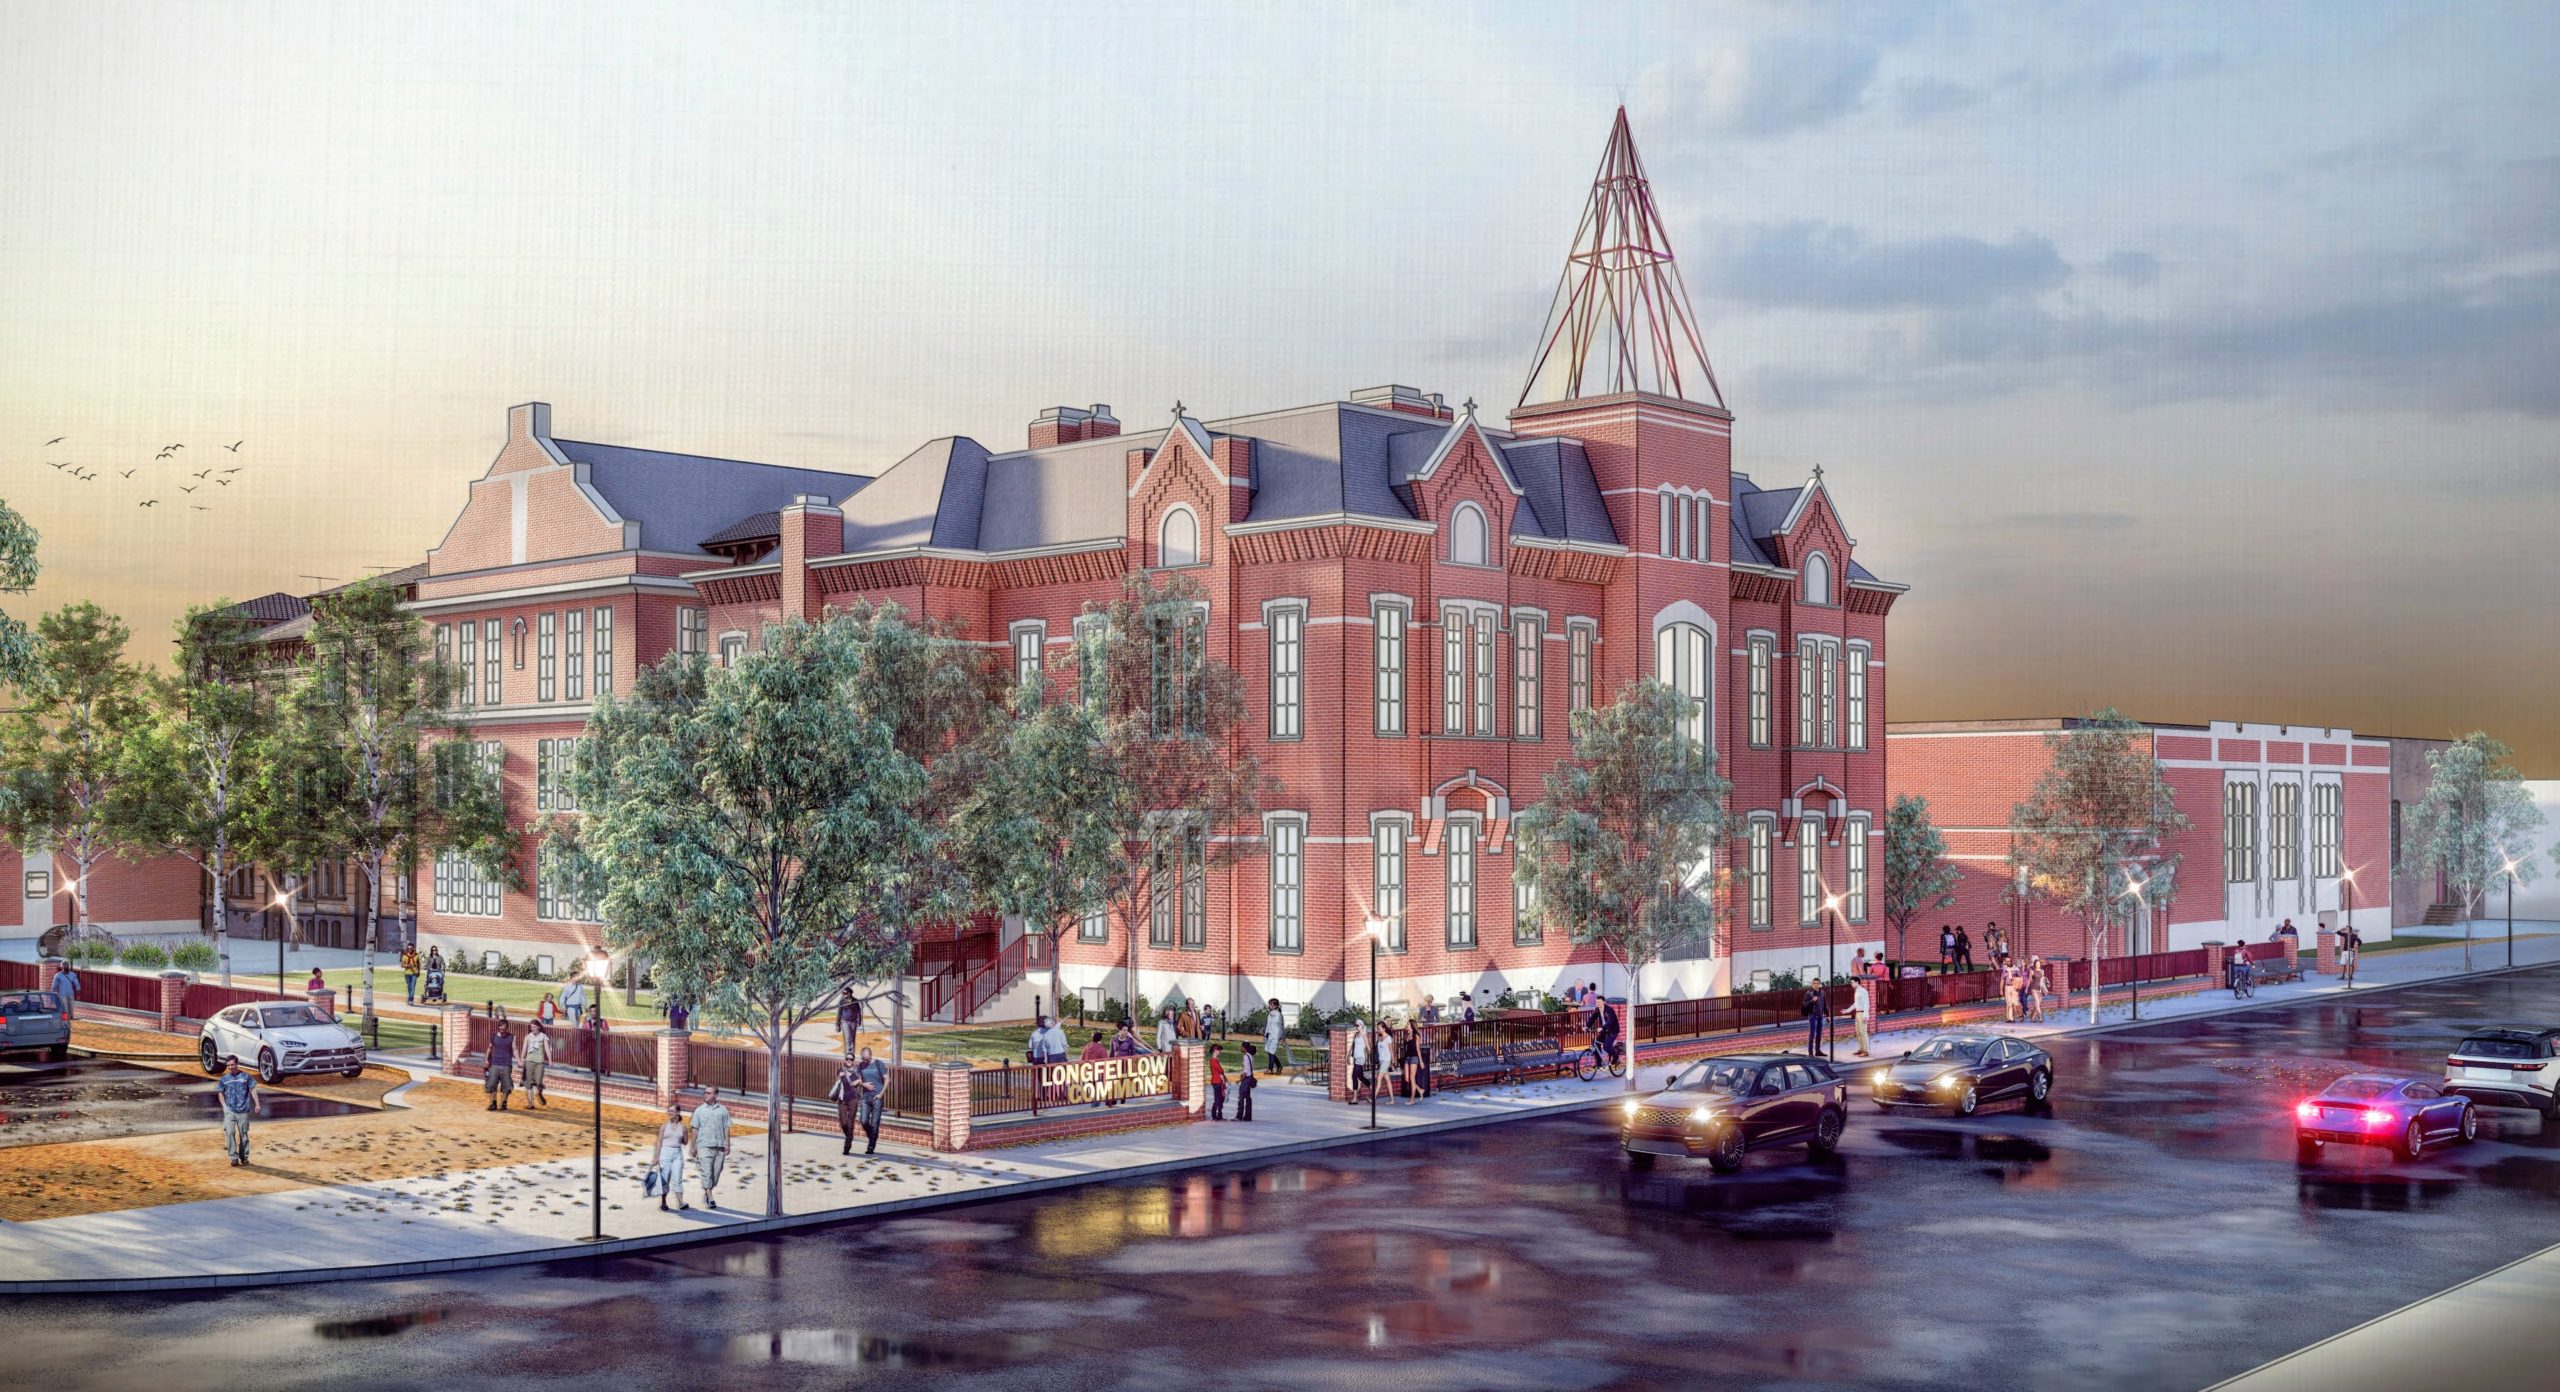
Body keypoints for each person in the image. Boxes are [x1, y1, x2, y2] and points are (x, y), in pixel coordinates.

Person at [692, 1085, 735, 1202]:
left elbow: (726, 1128)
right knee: (706, 1172)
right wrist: (693, 1146)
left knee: (716, 1173)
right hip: (704, 1146)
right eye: (705, 1092)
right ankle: (710, 1196)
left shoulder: (723, 1110)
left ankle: (707, 1191)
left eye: (709, 1093)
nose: (705, 1094)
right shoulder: (699, 1110)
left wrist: (727, 1144)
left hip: (719, 1146)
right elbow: (695, 1129)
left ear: (715, 1095)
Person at [215, 1058, 260, 1166]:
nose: (230, 1067)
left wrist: (257, 1104)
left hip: (243, 1110)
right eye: (228, 1065)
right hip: (230, 1111)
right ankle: (233, 1157)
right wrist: (224, 1107)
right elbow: (220, 1092)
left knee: (243, 1134)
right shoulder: (224, 1079)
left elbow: (253, 1090)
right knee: (229, 1132)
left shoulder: (246, 1077)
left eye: (232, 1064)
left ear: (237, 1064)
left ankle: (244, 1157)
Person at [652, 1105, 690, 1212]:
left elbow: (685, 1142)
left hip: (677, 1153)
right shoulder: (664, 1126)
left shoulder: (683, 1127)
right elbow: (659, 1142)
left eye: (672, 1111)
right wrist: (657, 1156)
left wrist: (683, 1137)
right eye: (669, 1111)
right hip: (665, 1153)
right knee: (665, 1178)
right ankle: (664, 1201)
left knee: (677, 1178)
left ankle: (681, 1202)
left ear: (678, 1112)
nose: (670, 1113)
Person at [485, 1024, 516, 1110]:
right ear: (498, 1028)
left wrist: (519, 1060)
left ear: (507, 1028)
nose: (502, 1031)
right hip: (495, 1063)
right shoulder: (494, 1036)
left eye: (504, 1029)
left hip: (506, 1064)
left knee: (506, 1085)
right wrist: (486, 1060)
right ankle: (493, 1103)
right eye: (501, 1029)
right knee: (492, 1083)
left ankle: (504, 1103)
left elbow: (515, 1049)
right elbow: (489, 1048)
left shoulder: (511, 1037)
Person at [520, 1024, 551, 1106]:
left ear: (538, 1027)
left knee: (538, 1082)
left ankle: (540, 1094)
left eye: (534, 1027)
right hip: (529, 1061)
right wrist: (522, 1059)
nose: (532, 1029)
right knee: (529, 1082)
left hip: (539, 1062)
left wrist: (550, 1060)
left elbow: (547, 1049)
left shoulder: (543, 1037)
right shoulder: (527, 1037)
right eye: (531, 1027)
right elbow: (524, 1048)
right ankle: (531, 1104)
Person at [1849, 972, 1873, 1057]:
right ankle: (1861, 1049)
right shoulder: (1857, 991)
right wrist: (1848, 1010)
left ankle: (1865, 1051)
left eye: (1852, 982)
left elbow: (1867, 1004)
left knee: (1863, 1032)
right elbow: (1856, 1004)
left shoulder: (1863, 991)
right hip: (1858, 1013)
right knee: (1858, 1032)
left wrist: (1866, 1015)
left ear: (1857, 982)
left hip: (1862, 1013)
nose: (1851, 984)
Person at [1801, 982, 1827, 1056]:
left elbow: (1824, 1004)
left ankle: (1818, 1051)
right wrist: (1812, 1000)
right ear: (1812, 985)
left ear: (1819, 984)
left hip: (1820, 1016)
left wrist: (1827, 1015)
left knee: (1819, 1034)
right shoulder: (1808, 993)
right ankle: (1810, 1052)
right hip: (1813, 1016)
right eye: (1814, 983)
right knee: (1812, 1034)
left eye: (1817, 983)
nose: (1816, 985)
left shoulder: (1822, 992)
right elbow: (1805, 1004)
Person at [1264, 998, 1288, 1072]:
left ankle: (1270, 1069)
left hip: (1276, 1036)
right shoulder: (1269, 1014)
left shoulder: (1279, 1015)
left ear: (1275, 1006)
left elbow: (1281, 1026)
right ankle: (1279, 1066)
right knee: (1269, 1051)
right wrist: (1266, 1034)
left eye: (1271, 1005)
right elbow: (1268, 1025)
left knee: (1272, 1051)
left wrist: (1281, 1037)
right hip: (1269, 1035)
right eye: (1269, 1005)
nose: (1269, 1006)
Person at [1236, 1042, 1258, 1121]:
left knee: (1241, 1097)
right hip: (1250, 1078)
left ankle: (1239, 1116)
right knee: (1248, 1098)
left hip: (1246, 1079)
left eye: (1241, 1047)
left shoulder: (1246, 1056)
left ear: (1244, 1048)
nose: (1240, 1048)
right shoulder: (1250, 1056)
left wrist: (1240, 1080)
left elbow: (1246, 1070)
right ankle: (1248, 1116)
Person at [2027, 956, 2050, 1022]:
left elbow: (2042, 980)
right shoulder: (2032, 971)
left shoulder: (2042, 971)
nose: (2038, 965)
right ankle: (2040, 1017)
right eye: (2036, 964)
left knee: (2037, 1004)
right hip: (2034, 989)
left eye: (2038, 964)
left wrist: (2045, 989)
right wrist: (2026, 989)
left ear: (2040, 964)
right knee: (2037, 1002)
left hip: (2040, 990)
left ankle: (2033, 1017)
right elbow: (2030, 980)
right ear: (2034, 965)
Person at [1207, 1049, 1228, 1120]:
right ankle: (1214, 1114)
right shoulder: (1213, 1060)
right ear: (1214, 1051)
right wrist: (1222, 1074)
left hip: (1219, 1081)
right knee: (1217, 1099)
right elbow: (1220, 1070)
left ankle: (1219, 1114)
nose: (1220, 1051)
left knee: (1221, 1098)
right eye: (1218, 1050)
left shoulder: (1216, 1060)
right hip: (1216, 1081)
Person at [2339, 922, 2362, 986]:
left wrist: (2355, 948)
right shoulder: (2345, 935)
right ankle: (2343, 976)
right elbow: (2338, 932)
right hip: (2344, 951)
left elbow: (2360, 942)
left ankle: (2350, 976)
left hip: (2350, 952)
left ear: (2349, 930)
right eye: (2345, 929)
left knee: (2350, 964)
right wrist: (2341, 928)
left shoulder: (2354, 936)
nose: (2345, 930)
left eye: (2346, 929)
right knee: (2342, 964)